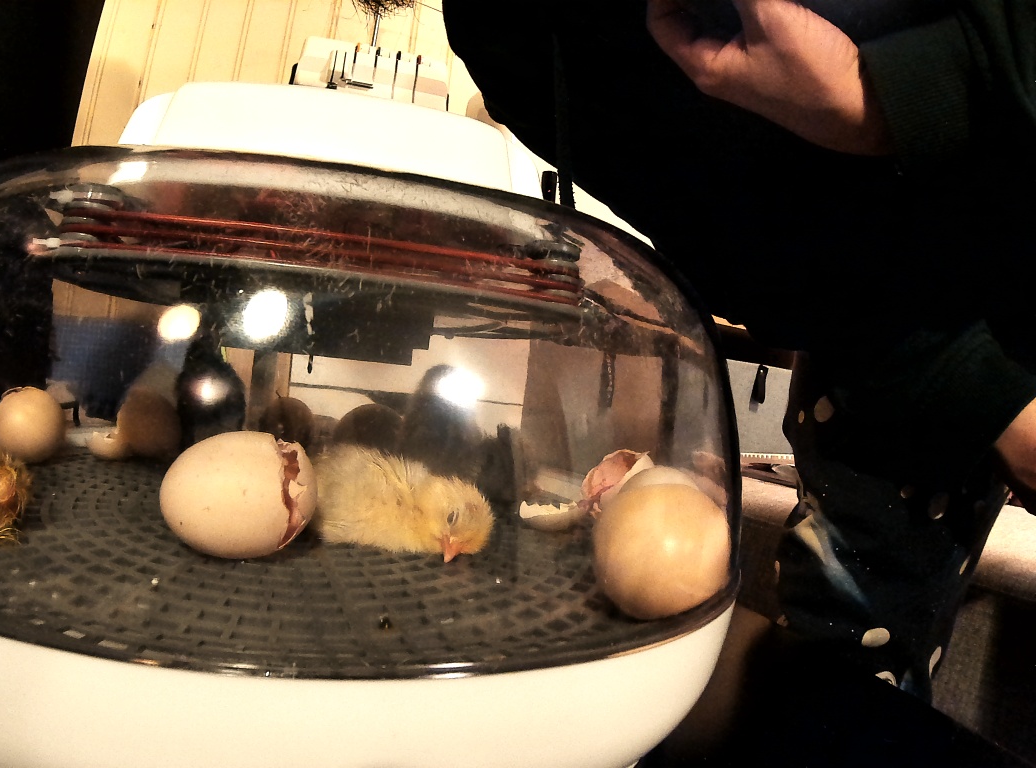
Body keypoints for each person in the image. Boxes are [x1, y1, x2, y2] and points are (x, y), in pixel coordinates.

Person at [442, 0, 1036, 700]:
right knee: (843, 658)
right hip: (897, 333)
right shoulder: (505, 33)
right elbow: (752, 240)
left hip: (949, 305)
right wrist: (985, 389)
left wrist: (883, 92)